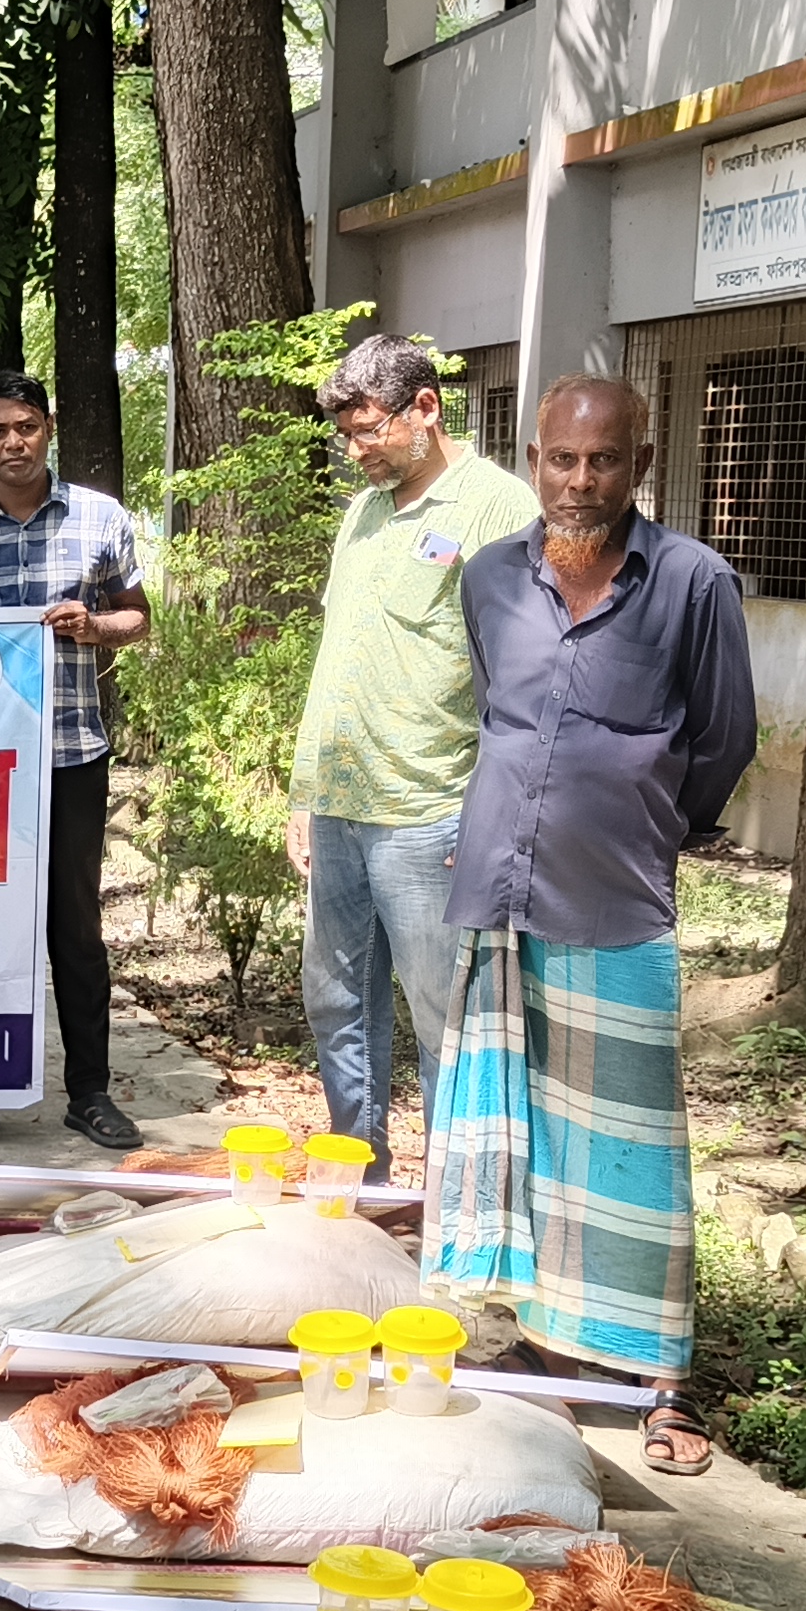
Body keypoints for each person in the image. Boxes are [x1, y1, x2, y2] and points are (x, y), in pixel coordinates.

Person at [421, 375, 754, 1475]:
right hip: (497, 896)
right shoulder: (486, 580)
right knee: (519, 1136)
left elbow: (721, 742)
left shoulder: (693, 584)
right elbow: (497, 716)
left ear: (639, 466)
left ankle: (659, 1377)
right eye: (560, 460)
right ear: (531, 459)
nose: (578, 481)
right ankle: (543, 1346)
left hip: (613, 898)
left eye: (602, 461)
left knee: (629, 1147)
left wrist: (642, 818)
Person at [289, 335, 538, 1149]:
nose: (355, 450)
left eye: (370, 431)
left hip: (430, 814)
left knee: (444, 1017)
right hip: (337, 810)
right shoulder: (363, 511)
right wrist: (302, 792)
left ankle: (449, 1210)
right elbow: (339, 657)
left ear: (426, 409)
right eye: (347, 436)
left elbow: (526, 681)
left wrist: (491, 818)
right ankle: (358, 1180)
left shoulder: (500, 510)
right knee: (336, 1003)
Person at [0, 367, 153, 1153]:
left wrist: (96, 627)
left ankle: (89, 1092)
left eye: (28, 427)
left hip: (72, 755)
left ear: (48, 431)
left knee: (75, 929)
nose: (15, 442)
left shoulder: (100, 520)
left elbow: (138, 618)